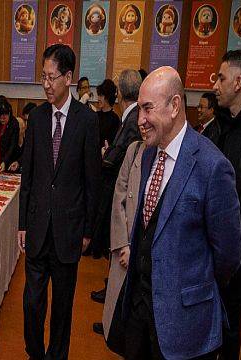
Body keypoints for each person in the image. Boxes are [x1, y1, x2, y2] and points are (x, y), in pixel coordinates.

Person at [122, 66, 241, 359]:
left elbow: (227, 255)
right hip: (140, 315)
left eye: (148, 109)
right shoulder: (149, 153)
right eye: (139, 110)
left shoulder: (212, 166)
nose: (141, 120)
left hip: (184, 325)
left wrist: (190, 286)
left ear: (175, 106)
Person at [18, 44, 101, 360]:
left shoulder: (86, 121)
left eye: (52, 77)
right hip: (37, 228)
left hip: (69, 232)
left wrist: (88, 231)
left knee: (62, 308)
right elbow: (29, 176)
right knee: (31, 304)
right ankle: (34, 354)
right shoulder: (37, 118)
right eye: (43, 77)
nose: (46, 84)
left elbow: (92, 180)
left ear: (69, 77)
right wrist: (23, 224)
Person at [213, 49, 241, 360]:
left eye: (221, 78)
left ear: (239, 82)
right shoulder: (220, 123)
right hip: (211, 241)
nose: (215, 84)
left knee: (230, 323)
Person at [101, 138, 145, 355]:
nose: (141, 121)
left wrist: (137, 250)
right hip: (124, 254)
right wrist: (122, 244)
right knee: (123, 330)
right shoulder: (134, 149)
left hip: (149, 263)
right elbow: (120, 194)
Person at [0, 96, 20, 172]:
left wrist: (5, 161)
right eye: (0, 117)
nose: (2, 119)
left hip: (9, 160)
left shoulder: (14, 123)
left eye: (4, 117)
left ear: (8, 113)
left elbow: (13, 145)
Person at [9, 102, 37, 172]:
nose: (27, 123)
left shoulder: (41, 133)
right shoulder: (26, 131)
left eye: (29, 120)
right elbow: (27, 153)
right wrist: (18, 162)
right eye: (25, 120)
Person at [96, 79, 121, 150]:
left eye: (101, 95)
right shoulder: (95, 115)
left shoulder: (115, 119)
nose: (98, 99)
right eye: (99, 95)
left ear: (108, 97)